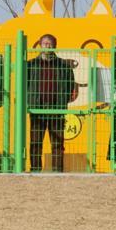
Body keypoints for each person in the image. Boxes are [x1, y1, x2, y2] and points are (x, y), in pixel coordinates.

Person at [24, 34, 76, 172]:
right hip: (37, 110)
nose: (47, 46)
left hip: (56, 109)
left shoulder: (63, 66)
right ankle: (35, 169)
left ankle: (57, 171)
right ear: (40, 45)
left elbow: (70, 85)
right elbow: (24, 85)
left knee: (57, 143)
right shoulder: (31, 65)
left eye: (50, 43)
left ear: (55, 46)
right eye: (45, 43)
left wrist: (63, 100)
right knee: (35, 142)